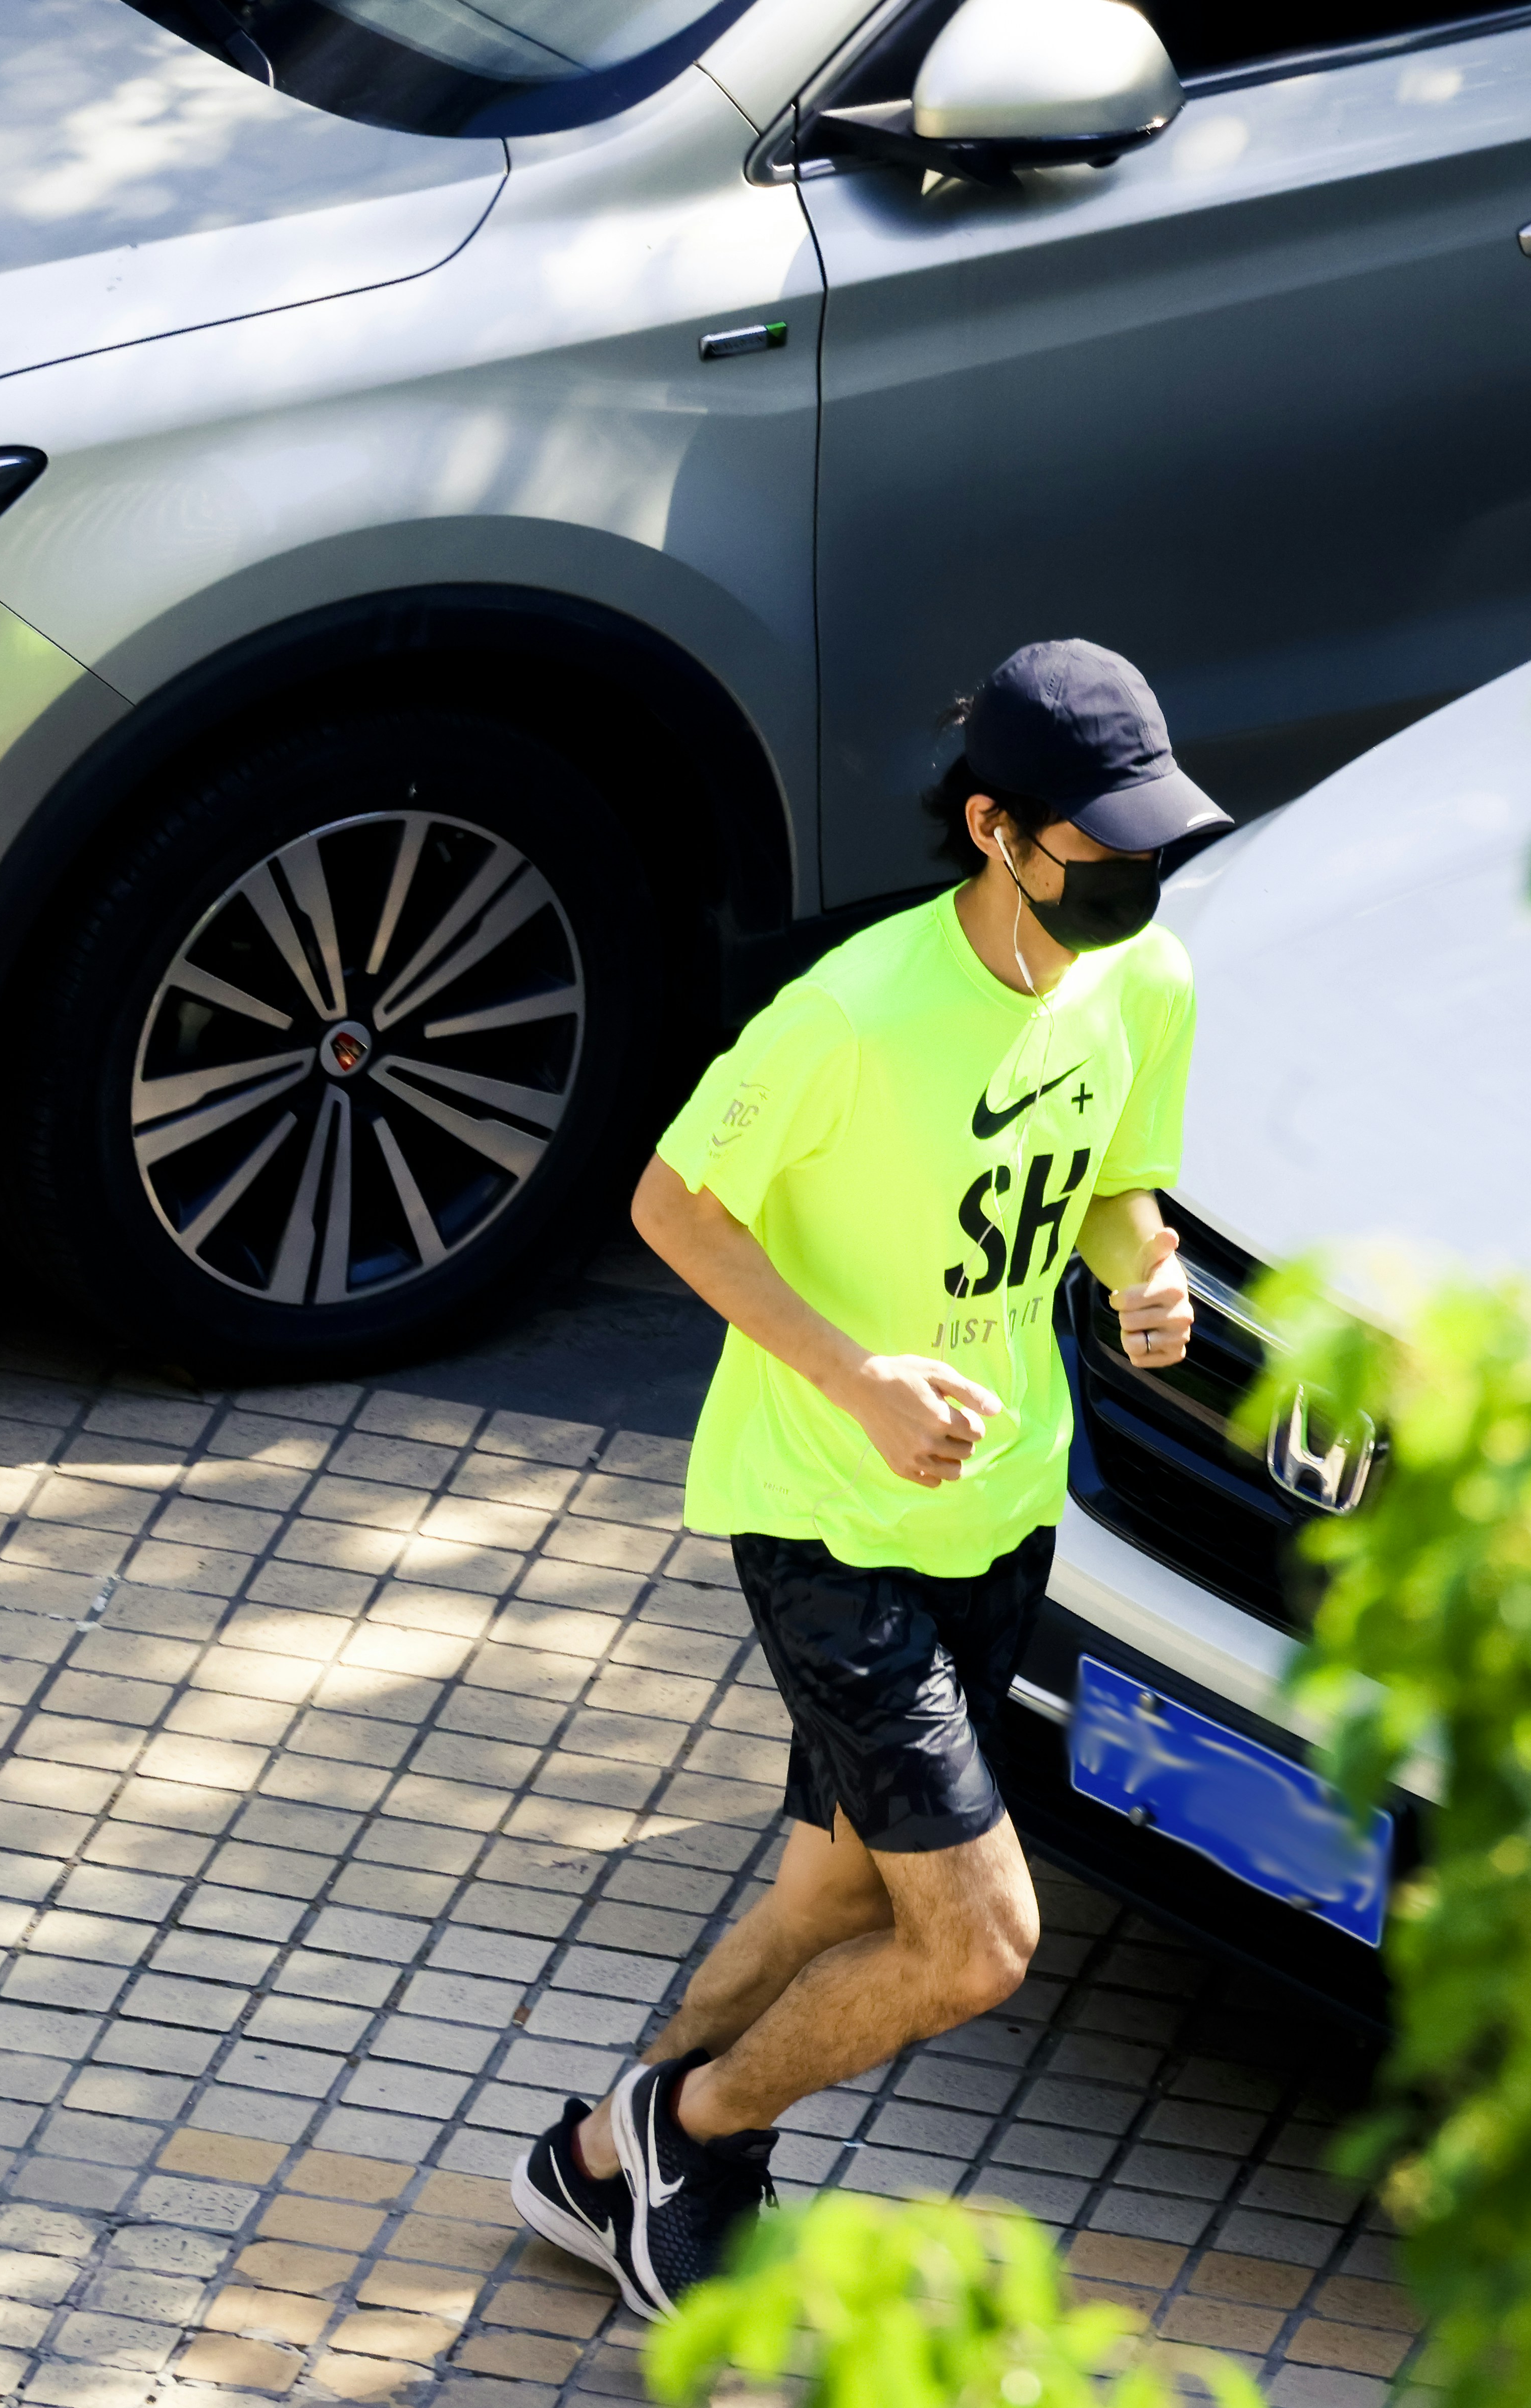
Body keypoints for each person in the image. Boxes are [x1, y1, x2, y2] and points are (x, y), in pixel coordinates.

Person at [510, 639, 1220, 2320]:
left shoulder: (1145, 982)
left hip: (1002, 1506)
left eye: (1155, 842)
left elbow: (1113, 1186)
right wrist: (860, 1377)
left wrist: (1148, 1272)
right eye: (1102, 845)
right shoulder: (851, 1014)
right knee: (978, 1943)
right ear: (995, 830)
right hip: (826, 1513)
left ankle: (598, 2167)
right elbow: (672, 1205)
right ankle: (695, 2130)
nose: (1134, 875)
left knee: (836, 1889)